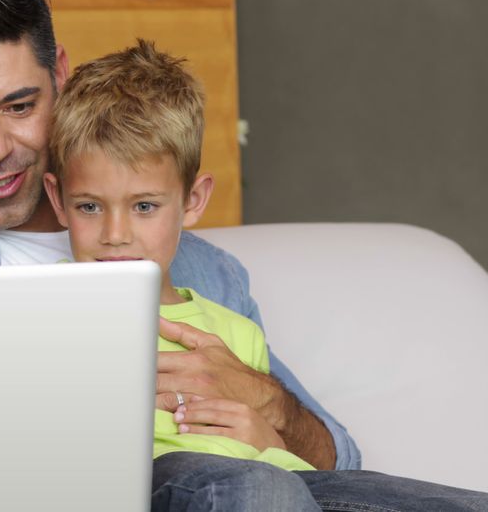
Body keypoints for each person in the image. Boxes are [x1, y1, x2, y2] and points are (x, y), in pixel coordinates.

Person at [0, 0, 349, 472]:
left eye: (19, 106)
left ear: (60, 74)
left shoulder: (205, 271)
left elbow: (341, 461)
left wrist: (269, 406)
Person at [44, 40, 488, 511]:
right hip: (156, 484)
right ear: (59, 200)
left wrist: (270, 439)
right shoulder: (49, 304)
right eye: (89, 206)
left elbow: (298, 464)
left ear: (192, 202)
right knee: (260, 488)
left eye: (145, 207)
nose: (116, 234)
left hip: (279, 484)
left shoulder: (235, 330)